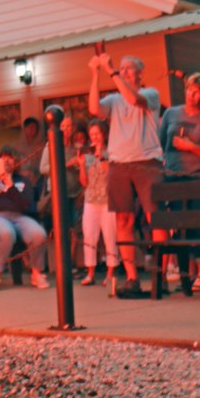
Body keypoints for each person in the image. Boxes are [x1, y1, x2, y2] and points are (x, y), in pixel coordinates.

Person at [88, 52, 164, 297]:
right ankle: (131, 276)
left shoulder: (151, 94)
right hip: (119, 164)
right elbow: (94, 109)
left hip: (147, 162)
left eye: (129, 68)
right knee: (123, 220)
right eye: (122, 68)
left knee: (156, 218)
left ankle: (159, 274)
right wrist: (94, 74)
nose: (124, 72)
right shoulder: (113, 99)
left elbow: (133, 99)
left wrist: (110, 70)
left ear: (141, 73)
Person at [158, 72, 200, 291]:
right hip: (173, 177)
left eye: (196, 91)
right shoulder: (170, 114)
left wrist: (192, 147)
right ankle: (186, 274)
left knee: (198, 224)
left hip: (198, 178)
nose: (190, 94)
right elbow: (159, 143)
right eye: (188, 89)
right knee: (179, 227)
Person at [0, 147, 50, 291]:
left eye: (10, 157)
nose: (7, 160)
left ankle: (37, 273)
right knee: (6, 233)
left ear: (16, 161)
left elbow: (26, 204)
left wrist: (10, 186)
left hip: (19, 217)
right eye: (3, 157)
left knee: (38, 234)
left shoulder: (22, 181)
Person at [77, 120, 118, 286]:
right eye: (91, 134)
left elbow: (111, 175)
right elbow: (84, 182)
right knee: (89, 236)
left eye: (97, 133)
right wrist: (81, 166)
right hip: (91, 200)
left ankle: (110, 273)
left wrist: (102, 157)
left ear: (104, 134)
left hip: (108, 199)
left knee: (110, 236)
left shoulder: (112, 152)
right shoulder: (87, 155)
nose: (94, 137)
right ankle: (90, 273)